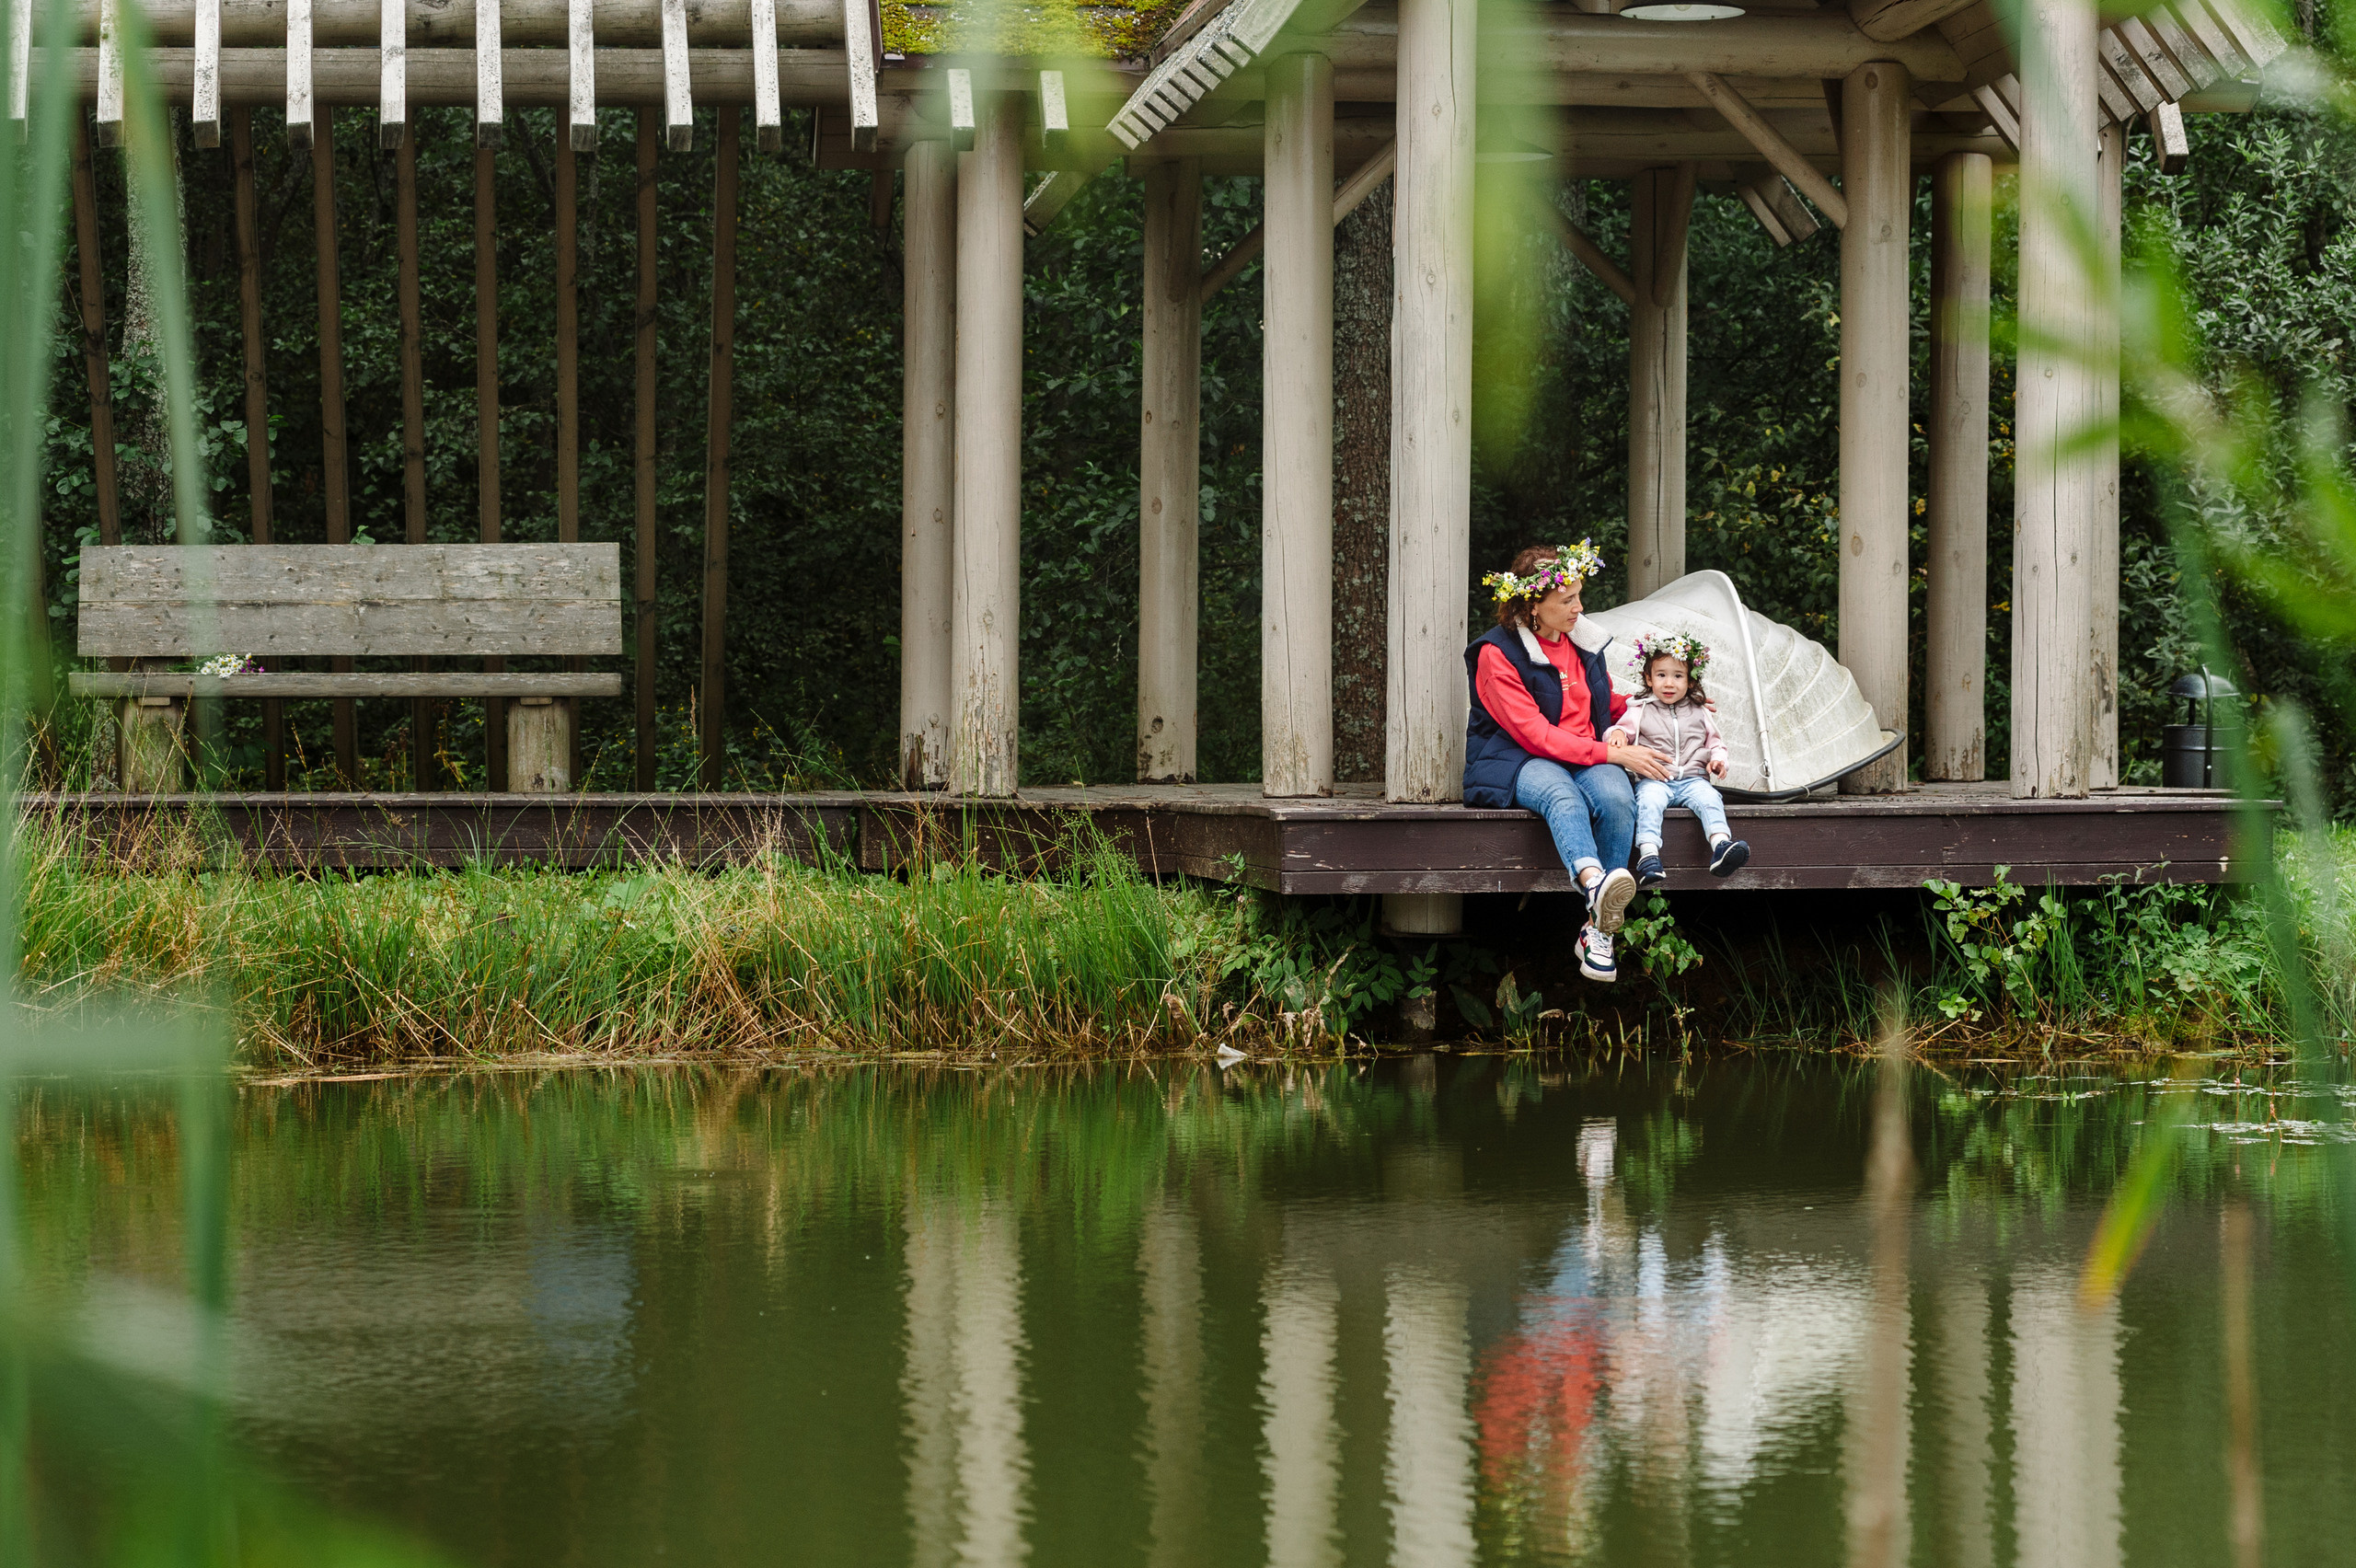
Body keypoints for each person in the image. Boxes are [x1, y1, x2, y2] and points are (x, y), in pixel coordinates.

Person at [1461, 542, 1671, 985]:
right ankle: (1596, 886)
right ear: (1533, 607)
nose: (1580, 606)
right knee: (1563, 796)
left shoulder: (1582, 641)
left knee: (1617, 798)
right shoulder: (1495, 654)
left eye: (1579, 595)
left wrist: (1671, 701)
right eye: (1568, 600)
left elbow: (1609, 702)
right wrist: (1613, 752)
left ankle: (1598, 931)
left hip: (1583, 751)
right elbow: (1535, 735)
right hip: (1517, 758)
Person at [1604, 633, 1753, 885]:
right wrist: (1617, 733)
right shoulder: (1641, 709)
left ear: (1690, 681)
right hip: (1656, 779)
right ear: (1649, 679)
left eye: (1678, 676)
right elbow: (1620, 730)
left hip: (1693, 778)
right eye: (1661, 675)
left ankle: (1720, 845)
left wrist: (1718, 760)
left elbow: (1715, 742)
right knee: (1648, 803)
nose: (1669, 683)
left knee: (1710, 798)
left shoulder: (1699, 710)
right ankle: (1648, 855)